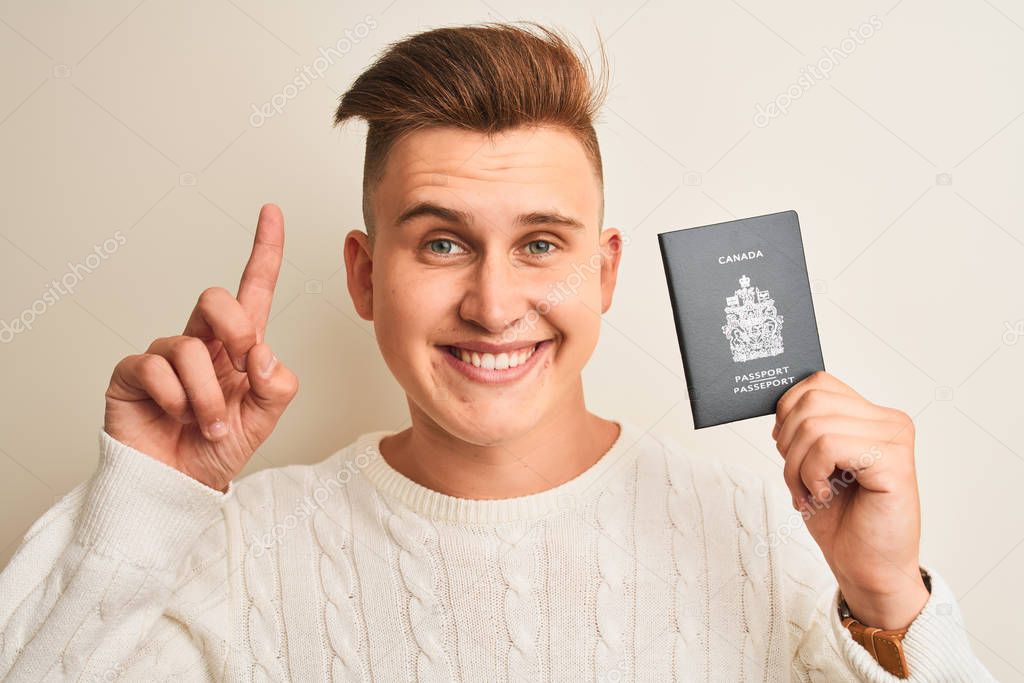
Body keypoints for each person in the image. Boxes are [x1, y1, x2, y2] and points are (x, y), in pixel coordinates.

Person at [0, 21, 994, 681]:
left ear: (603, 273)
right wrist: (142, 501)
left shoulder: (771, 531)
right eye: (440, 241)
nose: (491, 300)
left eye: (540, 244)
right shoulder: (231, 545)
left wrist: (886, 596)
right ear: (362, 274)